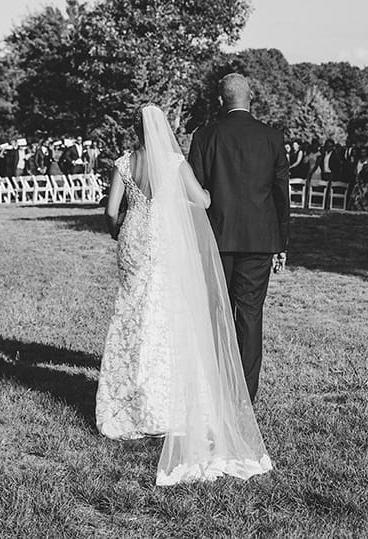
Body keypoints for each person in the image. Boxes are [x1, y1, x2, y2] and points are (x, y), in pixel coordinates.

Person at [99, 103, 274, 486]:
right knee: (165, 317)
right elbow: (204, 201)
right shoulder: (176, 163)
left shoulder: (124, 163)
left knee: (132, 316)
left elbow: (112, 212)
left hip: (132, 242)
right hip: (162, 243)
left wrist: (119, 232)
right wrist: (207, 191)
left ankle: (128, 406)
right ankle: (164, 405)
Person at [188, 73, 290, 403]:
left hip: (216, 238)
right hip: (259, 239)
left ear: (221, 100)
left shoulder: (204, 136)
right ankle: (244, 394)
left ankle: (216, 384)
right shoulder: (272, 138)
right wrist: (281, 244)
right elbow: (280, 196)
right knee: (250, 314)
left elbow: (194, 195)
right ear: (252, 97)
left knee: (217, 312)